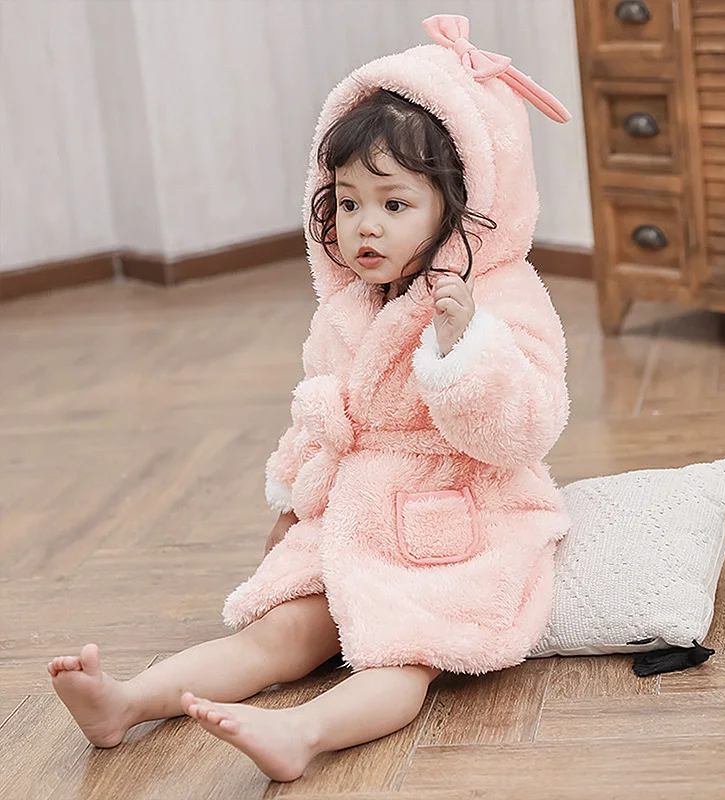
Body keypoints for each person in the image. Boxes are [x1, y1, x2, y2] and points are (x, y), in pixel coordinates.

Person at [46, 14, 572, 783]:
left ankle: (304, 733)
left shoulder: (500, 296)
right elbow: (324, 416)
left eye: (394, 205)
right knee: (279, 636)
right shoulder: (348, 307)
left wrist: (467, 349)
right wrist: (295, 505)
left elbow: (529, 426)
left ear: (462, 204)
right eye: (349, 203)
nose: (365, 227)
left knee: (401, 654)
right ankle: (124, 702)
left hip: (452, 518)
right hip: (355, 513)